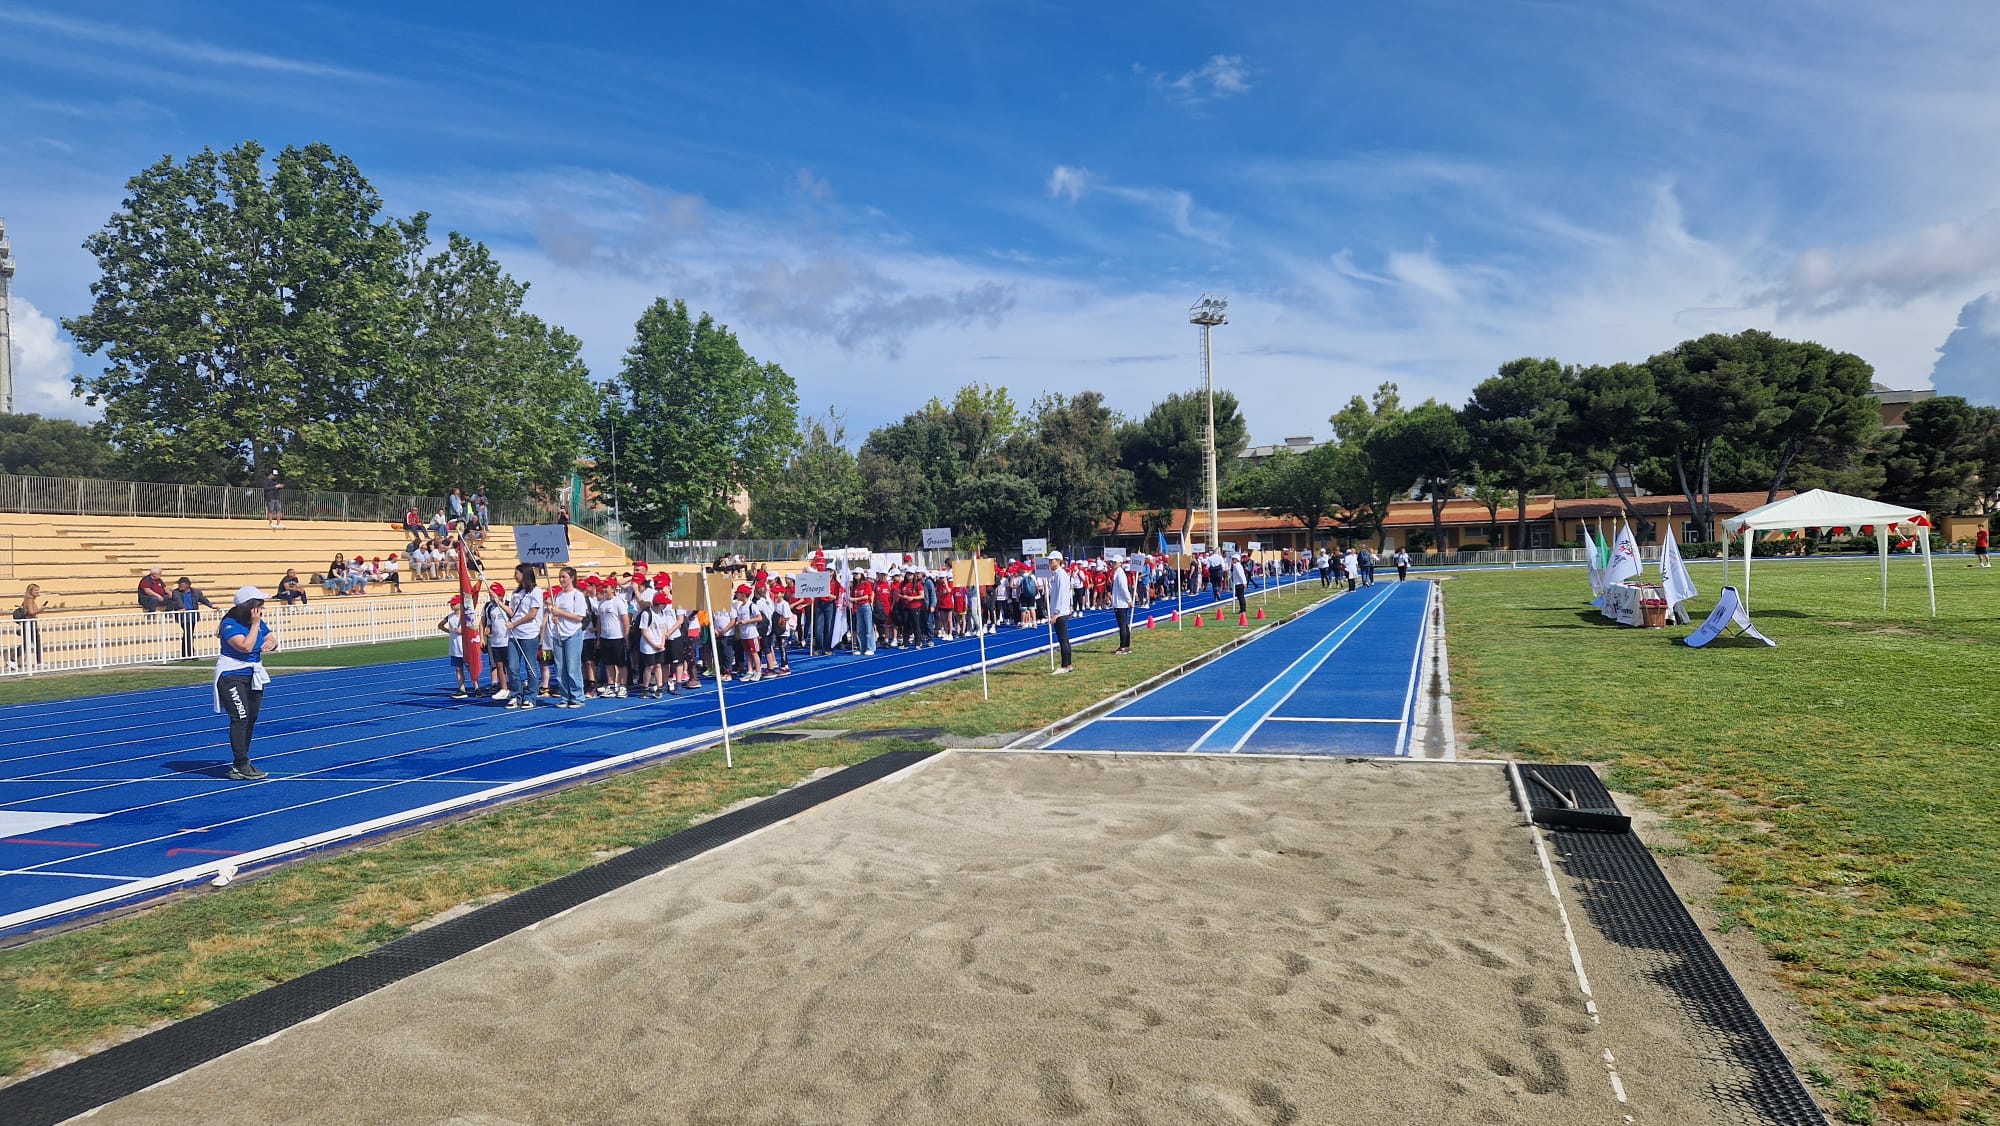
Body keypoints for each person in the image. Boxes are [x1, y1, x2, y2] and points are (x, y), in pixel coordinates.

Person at [215, 586, 278, 780]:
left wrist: (272, 643)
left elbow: (270, 638)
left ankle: (241, 761)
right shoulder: (229, 624)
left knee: (251, 717)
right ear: (249, 606)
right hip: (232, 675)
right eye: (259, 604)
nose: (262, 607)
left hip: (253, 674)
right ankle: (241, 763)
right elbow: (245, 646)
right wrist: (254, 624)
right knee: (240, 717)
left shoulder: (257, 622)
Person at [502, 564, 545, 710]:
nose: (515, 576)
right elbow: (513, 612)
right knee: (513, 667)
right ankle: (516, 695)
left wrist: (515, 624)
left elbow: (532, 614)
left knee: (530, 666)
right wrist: (499, 603)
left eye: (517, 573)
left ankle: (531, 696)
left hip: (529, 633)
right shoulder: (515, 592)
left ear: (524, 574)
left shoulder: (536, 592)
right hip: (514, 635)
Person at [547, 567, 588, 707]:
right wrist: (555, 617)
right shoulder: (558, 595)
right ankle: (565, 696)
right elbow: (556, 614)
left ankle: (577, 697)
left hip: (572, 634)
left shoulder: (577, 595)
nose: (561, 579)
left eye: (564, 576)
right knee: (560, 668)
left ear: (571, 578)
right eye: (560, 577)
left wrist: (561, 613)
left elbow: (579, 617)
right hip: (558, 634)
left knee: (572, 667)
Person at [168, 576, 218, 659]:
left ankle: (186, 654)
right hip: (183, 617)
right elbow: (178, 600)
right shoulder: (176, 592)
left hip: (193, 617)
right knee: (188, 634)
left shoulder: (195, 592)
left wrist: (212, 606)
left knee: (188, 634)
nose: (179, 585)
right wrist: (181, 607)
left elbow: (203, 599)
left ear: (187, 585)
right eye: (179, 584)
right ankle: (189, 654)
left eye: (181, 584)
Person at [439, 596, 474, 698]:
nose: (452, 605)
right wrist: (449, 631)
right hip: (455, 647)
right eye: (451, 604)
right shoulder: (449, 617)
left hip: (465, 647)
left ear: (460, 604)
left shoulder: (465, 617)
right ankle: (462, 689)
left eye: (454, 604)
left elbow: (472, 630)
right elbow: (440, 625)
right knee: (458, 669)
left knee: (470, 669)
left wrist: (462, 632)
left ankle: (477, 687)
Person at [483, 581, 512, 699]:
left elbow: (512, 614)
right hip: (496, 641)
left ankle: (513, 687)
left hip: (508, 640)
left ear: (501, 595)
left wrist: (500, 603)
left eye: (494, 595)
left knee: (510, 666)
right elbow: (489, 623)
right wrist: (488, 629)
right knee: (499, 666)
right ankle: (504, 688)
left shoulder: (508, 605)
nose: (492, 598)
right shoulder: (490, 608)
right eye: (490, 595)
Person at [1046, 551, 1074, 674]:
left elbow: (1062, 595)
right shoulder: (1057, 575)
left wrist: (1056, 613)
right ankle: (1067, 664)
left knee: (1063, 640)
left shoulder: (1061, 575)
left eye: (1052, 560)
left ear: (1058, 561)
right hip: (1060, 611)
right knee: (1063, 640)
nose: (1050, 562)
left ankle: (1065, 665)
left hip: (1060, 612)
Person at [9, 583, 44, 671]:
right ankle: (12, 659)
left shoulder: (30, 599)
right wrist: (41, 609)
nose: (37, 592)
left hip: (30, 623)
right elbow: (31, 612)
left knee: (32, 642)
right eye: (35, 590)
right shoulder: (29, 599)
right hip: (28, 623)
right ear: (30, 591)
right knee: (30, 643)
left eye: (38, 590)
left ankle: (38, 662)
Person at [1110, 559, 1134, 654]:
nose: (1113, 564)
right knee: (1124, 626)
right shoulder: (1118, 573)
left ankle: (1123, 646)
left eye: (1115, 562)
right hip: (1119, 603)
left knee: (1122, 626)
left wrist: (1129, 600)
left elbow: (1124, 589)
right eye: (1112, 562)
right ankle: (1126, 645)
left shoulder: (1120, 574)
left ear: (1120, 563)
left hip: (1121, 604)